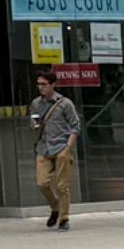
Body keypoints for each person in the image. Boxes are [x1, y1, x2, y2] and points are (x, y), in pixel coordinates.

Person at [29, 73, 84, 229]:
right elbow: (33, 123)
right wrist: (34, 124)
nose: (41, 87)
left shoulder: (65, 103)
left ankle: (64, 218)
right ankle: (55, 207)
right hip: (44, 147)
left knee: (62, 186)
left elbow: (75, 126)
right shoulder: (36, 103)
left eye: (44, 84)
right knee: (42, 183)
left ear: (53, 84)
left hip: (61, 146)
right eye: (39, 84)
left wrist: (68, 147)